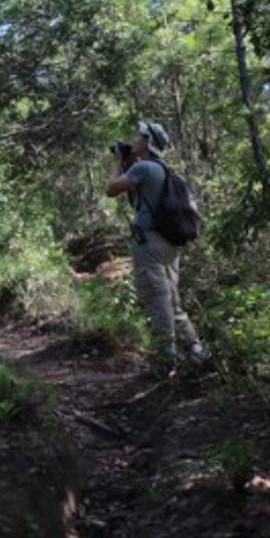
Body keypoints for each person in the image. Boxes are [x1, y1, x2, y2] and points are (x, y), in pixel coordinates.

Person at [105, 121, 206, 371]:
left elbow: (110, 190)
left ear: (148, 142)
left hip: (150, 242)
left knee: (157, 298)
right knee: (172, 299)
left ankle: (165, 361)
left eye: (138, 136)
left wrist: (119, 161)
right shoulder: (166, 171)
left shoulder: (144, 168)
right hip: (171, 243)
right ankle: (194, 349)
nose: (133, 139)